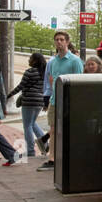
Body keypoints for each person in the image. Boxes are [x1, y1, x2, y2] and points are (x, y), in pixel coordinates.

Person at [38, 31, 83, 170]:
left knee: (67, 130)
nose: (59, 42)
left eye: (62, 39)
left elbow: (79, 81)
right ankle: (52, 159)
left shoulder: (75, 61)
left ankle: (70, 156)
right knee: (53, 129)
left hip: (68, 101)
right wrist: (48, 97)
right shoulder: (53, 61)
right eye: (57, 40)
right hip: (54, 100)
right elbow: (51, 80)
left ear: (67, 42)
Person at [7, 52, 48, 159]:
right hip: (40, 101)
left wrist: (9, 95)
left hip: (29, 101)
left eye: (30, 58)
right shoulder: (44, 73)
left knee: (27, 126)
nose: (28, 60)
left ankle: (30, 150)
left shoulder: (29, 72)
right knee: (32, 123)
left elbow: (21, 86)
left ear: (34, 60)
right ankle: (45, 144)